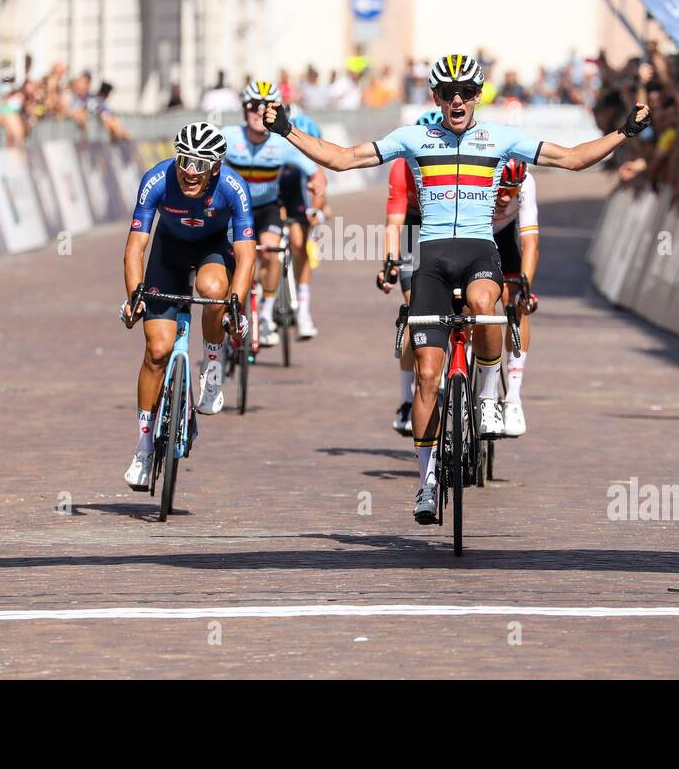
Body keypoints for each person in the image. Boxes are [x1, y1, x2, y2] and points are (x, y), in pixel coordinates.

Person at [266, 54, 648, 523]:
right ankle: (426, 483)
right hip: (431, 258)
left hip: (477, 251)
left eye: (467, 91)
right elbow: (343, 160)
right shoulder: (415, 137)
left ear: (478, 94)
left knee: (486, 303)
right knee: (428, 374)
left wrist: (623, 134)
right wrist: (287, 129)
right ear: (436, 98)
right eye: (448, 93)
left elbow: (571, 160)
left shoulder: (501, 138)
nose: (458, 100)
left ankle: (487, 397)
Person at [121, 123, 258, 489]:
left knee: (213, 289)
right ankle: (144, 446)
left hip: (212, 247)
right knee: (157, 351)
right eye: (184, 161)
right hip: (169, 251)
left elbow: (245, 257)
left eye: (201, 164)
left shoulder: (233, 187)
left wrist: (236, 306)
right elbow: (136, 247)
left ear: (216, 166)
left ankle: (212, 363)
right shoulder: (157, 180)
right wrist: (135, 294)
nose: (190, 172)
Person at [222, 80, 326, 347]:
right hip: (234, 209)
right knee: (227, 258)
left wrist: (318, 203)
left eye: (266, 107)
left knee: (270, 250)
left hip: (267, 208)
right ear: (244, 110)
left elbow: (316, 174)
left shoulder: (283, 144)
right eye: (253, 106)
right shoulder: (229, 137)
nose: (259, 111)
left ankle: (266, 315)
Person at [377, 107, 442, 434]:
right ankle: (406, 400)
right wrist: (390, 260)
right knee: (418, 312)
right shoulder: (403, 166)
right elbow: (395, 221)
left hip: (447, 227)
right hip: (415, 229)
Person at [490, 158, 539, 436]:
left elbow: (530, 242)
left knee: (516, 301)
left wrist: (526, 286)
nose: (507, 196)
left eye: (513, 190)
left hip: (505, 238)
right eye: (501, 189)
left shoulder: (527, 184)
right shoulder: (480, 179)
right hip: (475, 234)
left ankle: (512, 398)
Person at [281, 104, 328, 338]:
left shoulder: (308, 159)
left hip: (298, 192)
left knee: (300, 246)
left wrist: (317, 210)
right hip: (275, 189)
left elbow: (318, 183)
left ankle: (303, 312)